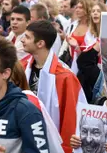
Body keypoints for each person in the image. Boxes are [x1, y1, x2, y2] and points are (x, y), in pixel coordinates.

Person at [21, 20, 87, 153]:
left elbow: (70, 119)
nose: (22, 40)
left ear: (40, 43)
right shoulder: (21, 67)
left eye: (27, 37)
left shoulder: (65, 77)